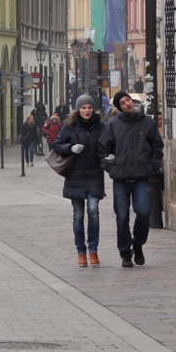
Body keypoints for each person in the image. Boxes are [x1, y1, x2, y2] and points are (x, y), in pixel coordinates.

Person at [99, 90, 163, 268]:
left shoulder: (147, 123)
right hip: (120, 177)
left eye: (128, 100)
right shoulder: (112, 125)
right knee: (122, 216)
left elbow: (157, 146)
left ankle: (138, 243)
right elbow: (103, 149)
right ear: (119, 107)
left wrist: (152, 166)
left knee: (143, 212)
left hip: (141, 176)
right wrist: (109, 165)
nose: (127, 104)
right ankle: (125, 252)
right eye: (123, 102)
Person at [54, 94, 106, 267]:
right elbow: (57, 146)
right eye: (83, 108)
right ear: (78, 109)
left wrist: (109, 158)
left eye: (89, 107)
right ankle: (80, 252)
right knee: (78, 215)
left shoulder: (100, 126)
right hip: (75, 176)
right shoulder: (70, 127)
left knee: (93, 211)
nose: (87, 111)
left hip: (94, 175)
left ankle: (93, 249)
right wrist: (71, 148)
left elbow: (106, 146)